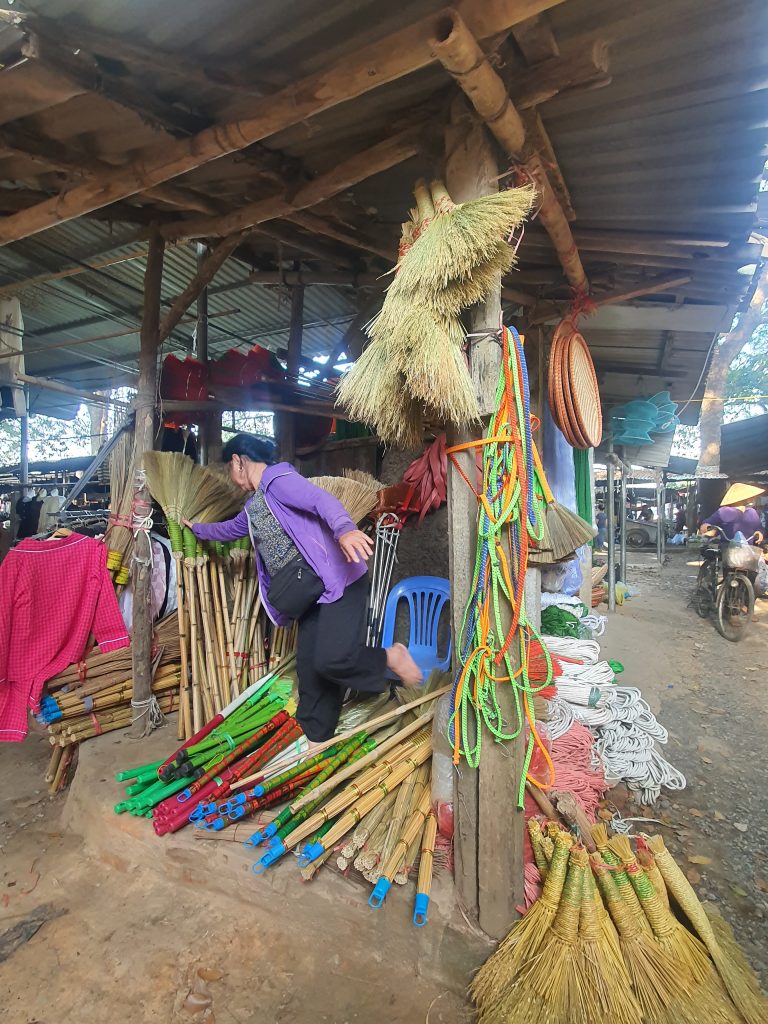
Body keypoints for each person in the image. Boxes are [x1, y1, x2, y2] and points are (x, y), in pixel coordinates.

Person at [186, 433, 422, 746]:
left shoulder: (279, 479)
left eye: (230, 471)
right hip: (313, 595)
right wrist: (196, 529)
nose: (232, 479)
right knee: (311, 671)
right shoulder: (256, 504)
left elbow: (320, 499)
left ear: (238, 462)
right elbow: (232, 529)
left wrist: (345, 529)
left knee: (331, 660)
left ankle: (391, 658)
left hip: (341, 583)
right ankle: (316, 737)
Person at [699, 483, 765, 544]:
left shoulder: (752, 512)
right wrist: (706, 526)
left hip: (748, 549)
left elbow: (759, 528)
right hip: (728, 548)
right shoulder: (724, 511)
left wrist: (759, 533)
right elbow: (707, 523)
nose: (751, 498)